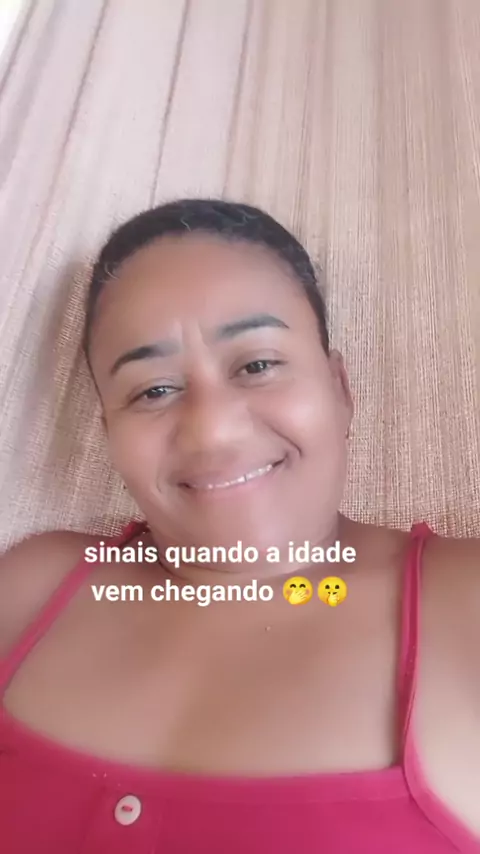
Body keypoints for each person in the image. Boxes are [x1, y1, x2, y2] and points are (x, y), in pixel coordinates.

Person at [0, 198, 479, 853]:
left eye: (257, 365)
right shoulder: (31, 587)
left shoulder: (464, 602)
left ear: (340, 389)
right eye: (152, 390)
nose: (212, 430)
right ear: (108, 430)